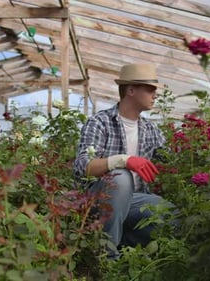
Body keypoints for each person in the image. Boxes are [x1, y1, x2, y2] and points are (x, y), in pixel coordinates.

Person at [73, 63, 175, 258]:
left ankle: (120, 240)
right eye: (150, 89)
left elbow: (172, 158)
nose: (155, 95)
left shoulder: (150, 129)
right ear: (130, 90)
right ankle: (107, 259)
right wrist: (123, 160)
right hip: (99, 198)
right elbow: (82, 166)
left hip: (134, 201)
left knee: (173, 217)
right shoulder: (100, 122)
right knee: (120, 177)